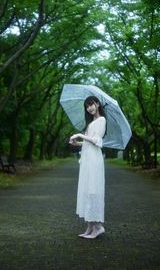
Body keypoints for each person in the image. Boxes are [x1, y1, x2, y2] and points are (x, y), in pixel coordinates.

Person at [69, 96, 107, 239]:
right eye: (87, 106)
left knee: (93, 190)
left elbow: (97, 141)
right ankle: (90, 227)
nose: (89, 108)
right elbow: (88, 143)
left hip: (94, 160)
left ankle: (98, 227)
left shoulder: (102, 120)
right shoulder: (91, 122)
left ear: (97, 104)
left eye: (91, 104)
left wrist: (80, 134)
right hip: (87, 159)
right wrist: (77, 143)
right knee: (87, 190)